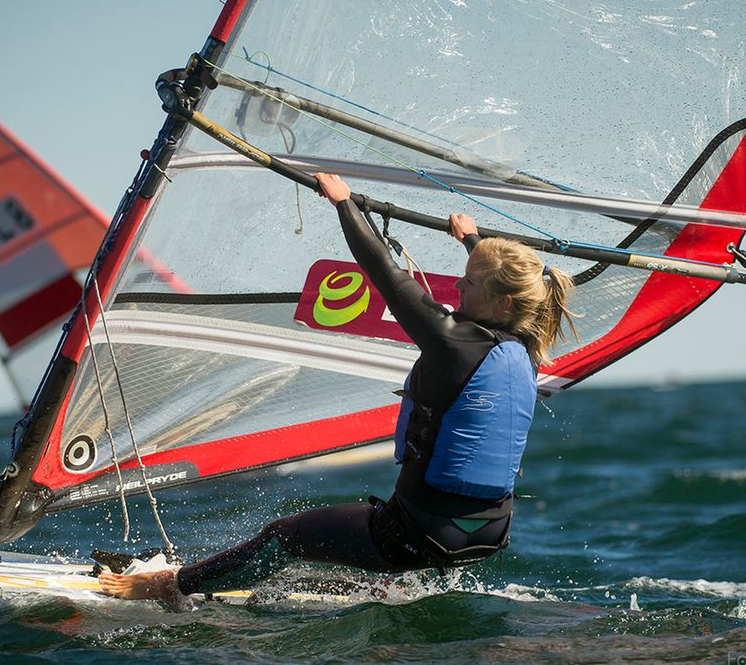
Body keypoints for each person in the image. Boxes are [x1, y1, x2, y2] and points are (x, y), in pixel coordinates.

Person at [98, 173, 576, 603]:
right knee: (337, 554)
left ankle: (167, 586)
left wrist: (344, 204)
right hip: (486, 536)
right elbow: (499, 283)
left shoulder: (451, 343)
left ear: (501, 300)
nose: (458, 288)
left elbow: (387, 275)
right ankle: (376, 586)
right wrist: (472, 240)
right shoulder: (526, 348)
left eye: (469, 284)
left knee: (284, 537)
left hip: (414, 533)